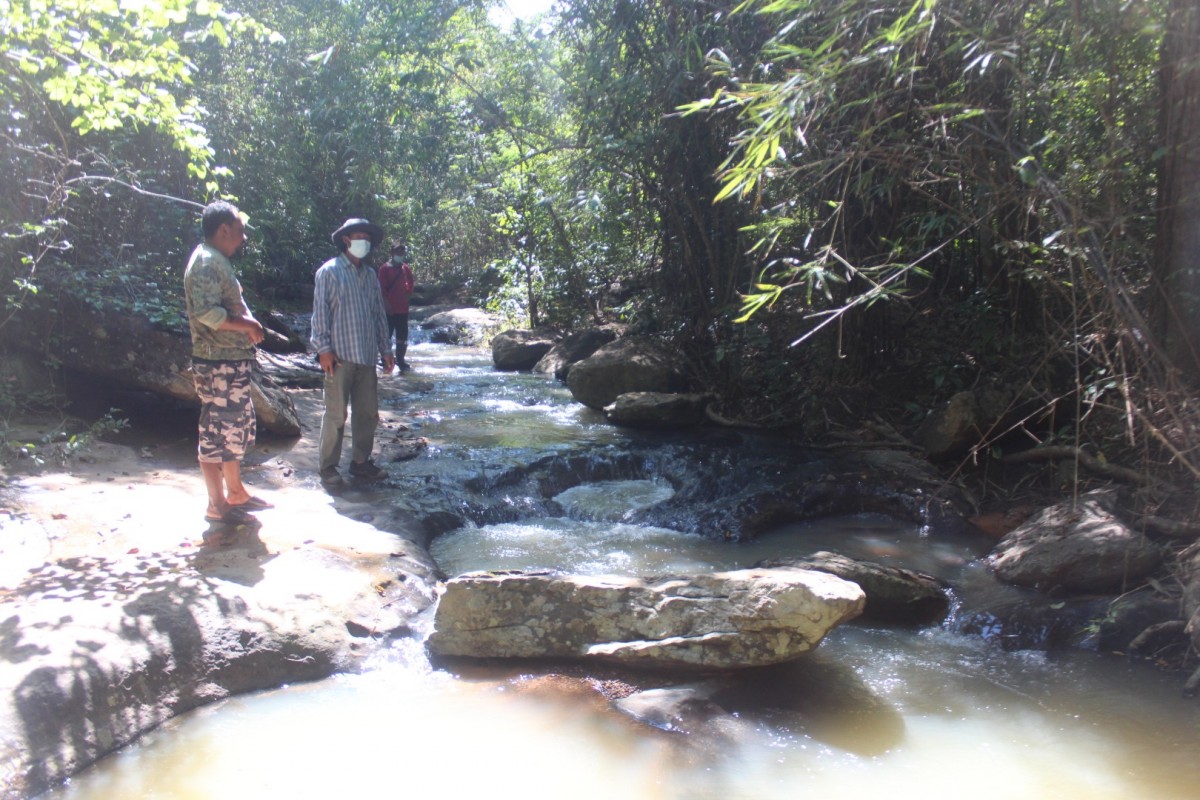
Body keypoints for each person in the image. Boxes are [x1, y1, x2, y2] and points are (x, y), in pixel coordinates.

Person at [183, 200, 272, 524]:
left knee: (233, 429)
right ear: (223, 230)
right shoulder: (206, 261)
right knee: (215, 432)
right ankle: (216, 504)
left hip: (229, 363)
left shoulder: (216, 259)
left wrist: (247, 320)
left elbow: (229, 300)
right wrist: (247, 325)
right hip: (217, 363)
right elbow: (207, 314)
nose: (243, 237)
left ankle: (235, 492)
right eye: (239, 231)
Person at [311, 218, 395, 486]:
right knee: (336, 414)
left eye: (367, 238)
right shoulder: (329, 272)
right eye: (359, 236)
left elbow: (378, 314)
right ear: (346, 239)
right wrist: (323, 349)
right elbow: (320, 314)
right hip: (338, 357)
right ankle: (328, 467)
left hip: (367, 356)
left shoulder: (370, 275)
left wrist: (386, 349)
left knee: (367, 414)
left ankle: (361, 463)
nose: (364, 242)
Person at [377, 240, 415, 372]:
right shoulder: (384, 269)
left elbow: (411, 283)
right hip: (389, 310)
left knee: (402, 337)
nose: (401, 254)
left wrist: (408, 295)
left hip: (403, 309)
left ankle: (400, 360)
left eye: (402, 252)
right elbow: (382, 289)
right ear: (392, 252)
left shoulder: (405, 268)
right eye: (398, 251)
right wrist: (387, 306)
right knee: (386, 335)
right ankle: (384, 359)